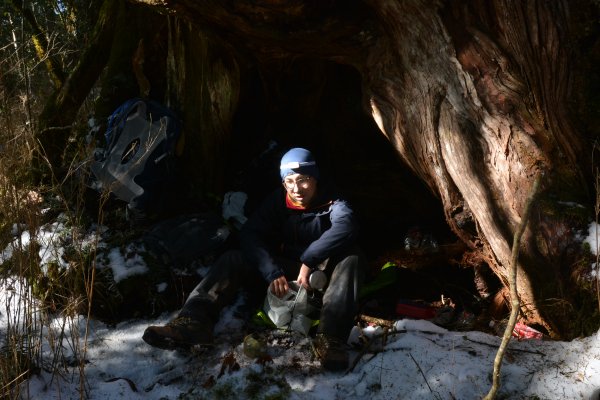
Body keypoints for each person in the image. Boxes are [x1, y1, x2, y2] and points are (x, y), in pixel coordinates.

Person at [143, 147, 365, 371]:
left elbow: (347, 226)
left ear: (315, 178)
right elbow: (250, 233)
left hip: (321, 274)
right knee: (233, 258)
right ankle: (193, 322)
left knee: (351, 257)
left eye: (303, 180)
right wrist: (271, 270)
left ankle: (330, 340)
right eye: (289, 181)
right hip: (283, 271)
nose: (296, 189)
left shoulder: (333, 200)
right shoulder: (279, 200)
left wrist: (309, 261)